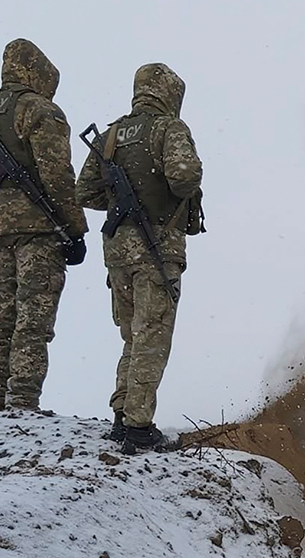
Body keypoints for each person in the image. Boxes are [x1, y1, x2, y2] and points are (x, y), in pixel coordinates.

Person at [76, 63, 203, 453]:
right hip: (156, 247)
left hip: (117, 252)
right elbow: (184, 176)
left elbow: (85, 192)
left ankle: (122, 413)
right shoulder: (168, 128)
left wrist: (122, 205)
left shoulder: (112, 135)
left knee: (132, 335)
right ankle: (138, 426)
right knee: (152, 336)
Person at [0, 39, 88, 412]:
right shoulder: (40, 110)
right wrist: (74, 228)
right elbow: (57, 175)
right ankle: (23, 402)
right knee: (33, 318)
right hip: (39, 231)